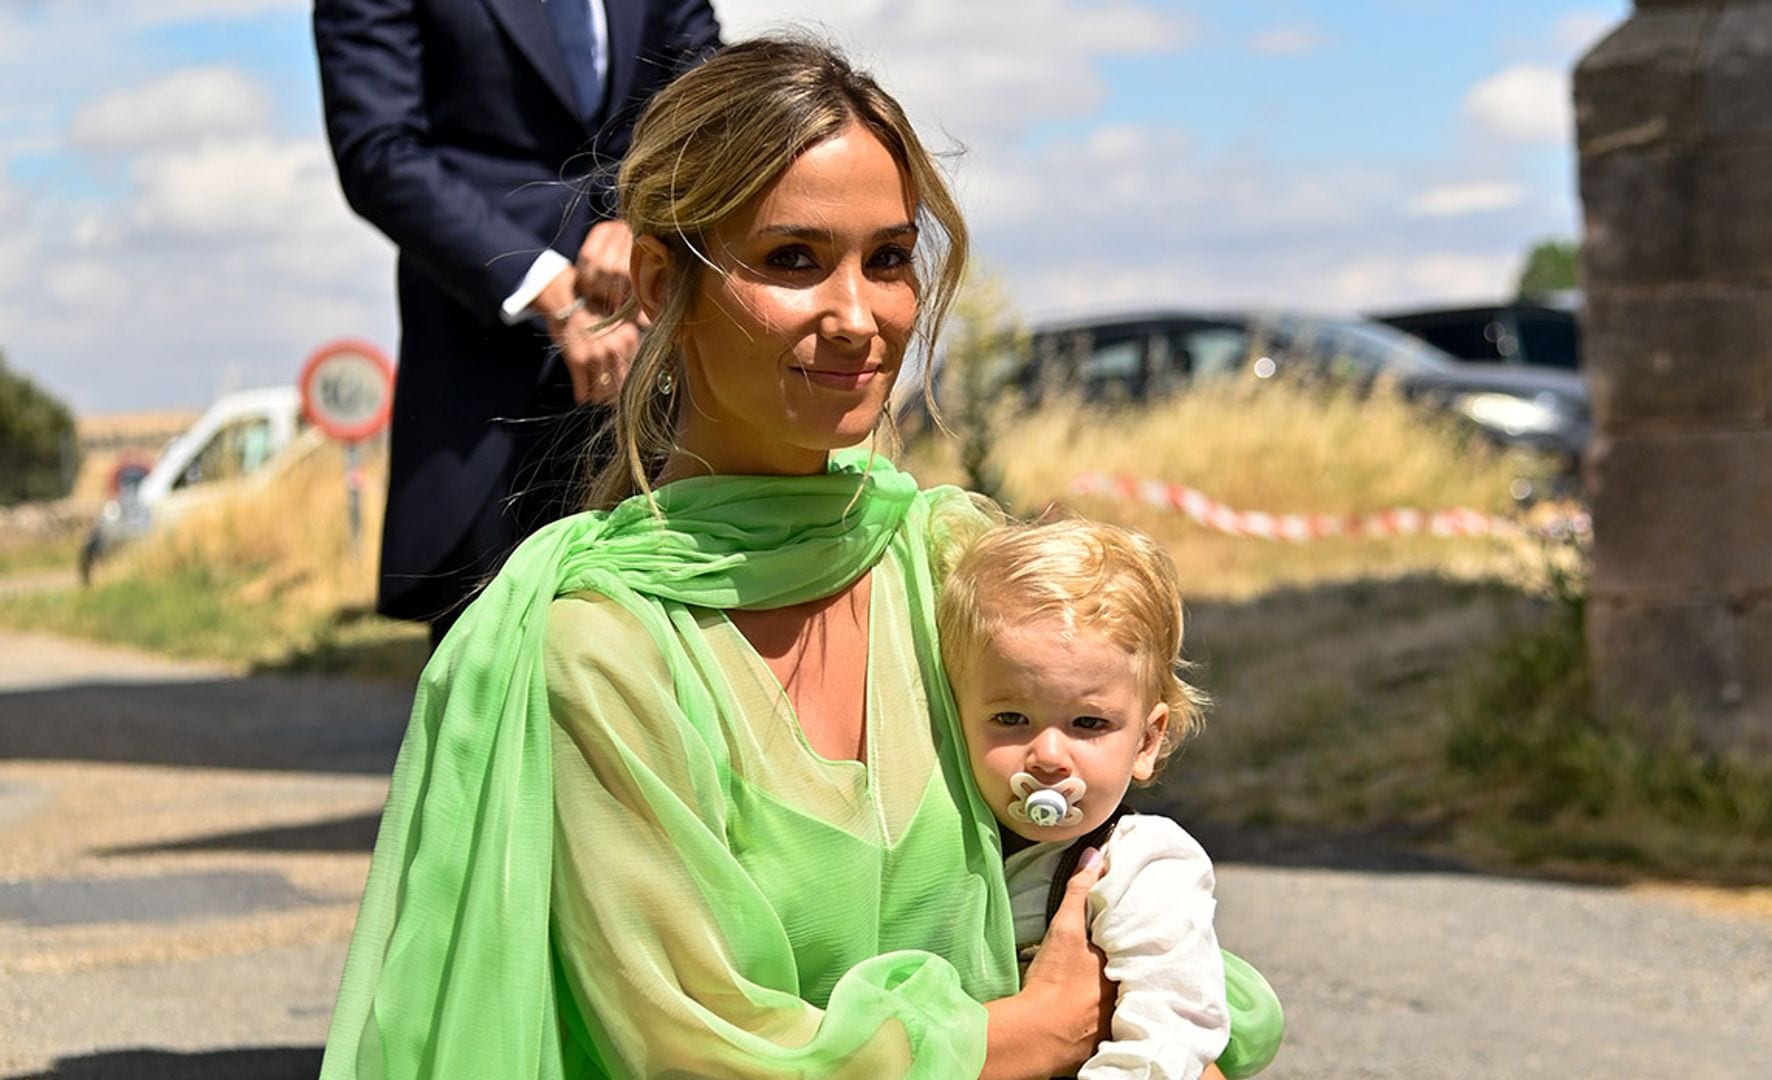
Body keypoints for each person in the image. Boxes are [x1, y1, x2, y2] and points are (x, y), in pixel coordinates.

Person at [320, 37, 1282, 1079]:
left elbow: (1091, 906)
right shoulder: (599, 648)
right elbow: (690, 1047)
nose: (860, 318)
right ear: (659, 283)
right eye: (791, 260)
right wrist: (1026, 1036)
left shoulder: (949, 561)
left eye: (886, 258)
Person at [313, 0, 722, 641]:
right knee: (491, 698)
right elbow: (380, 152)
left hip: (663, 380)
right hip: (483, 398)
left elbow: (709, 98)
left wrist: (639, 220)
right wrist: (549, 290)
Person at [939, 518, 1259, 1080]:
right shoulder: (940, 834)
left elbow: (1170, 1028)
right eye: (1011, 718)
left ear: (1147, 741)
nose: (1049, 755)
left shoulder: (1141, 864)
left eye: (1089, 723)